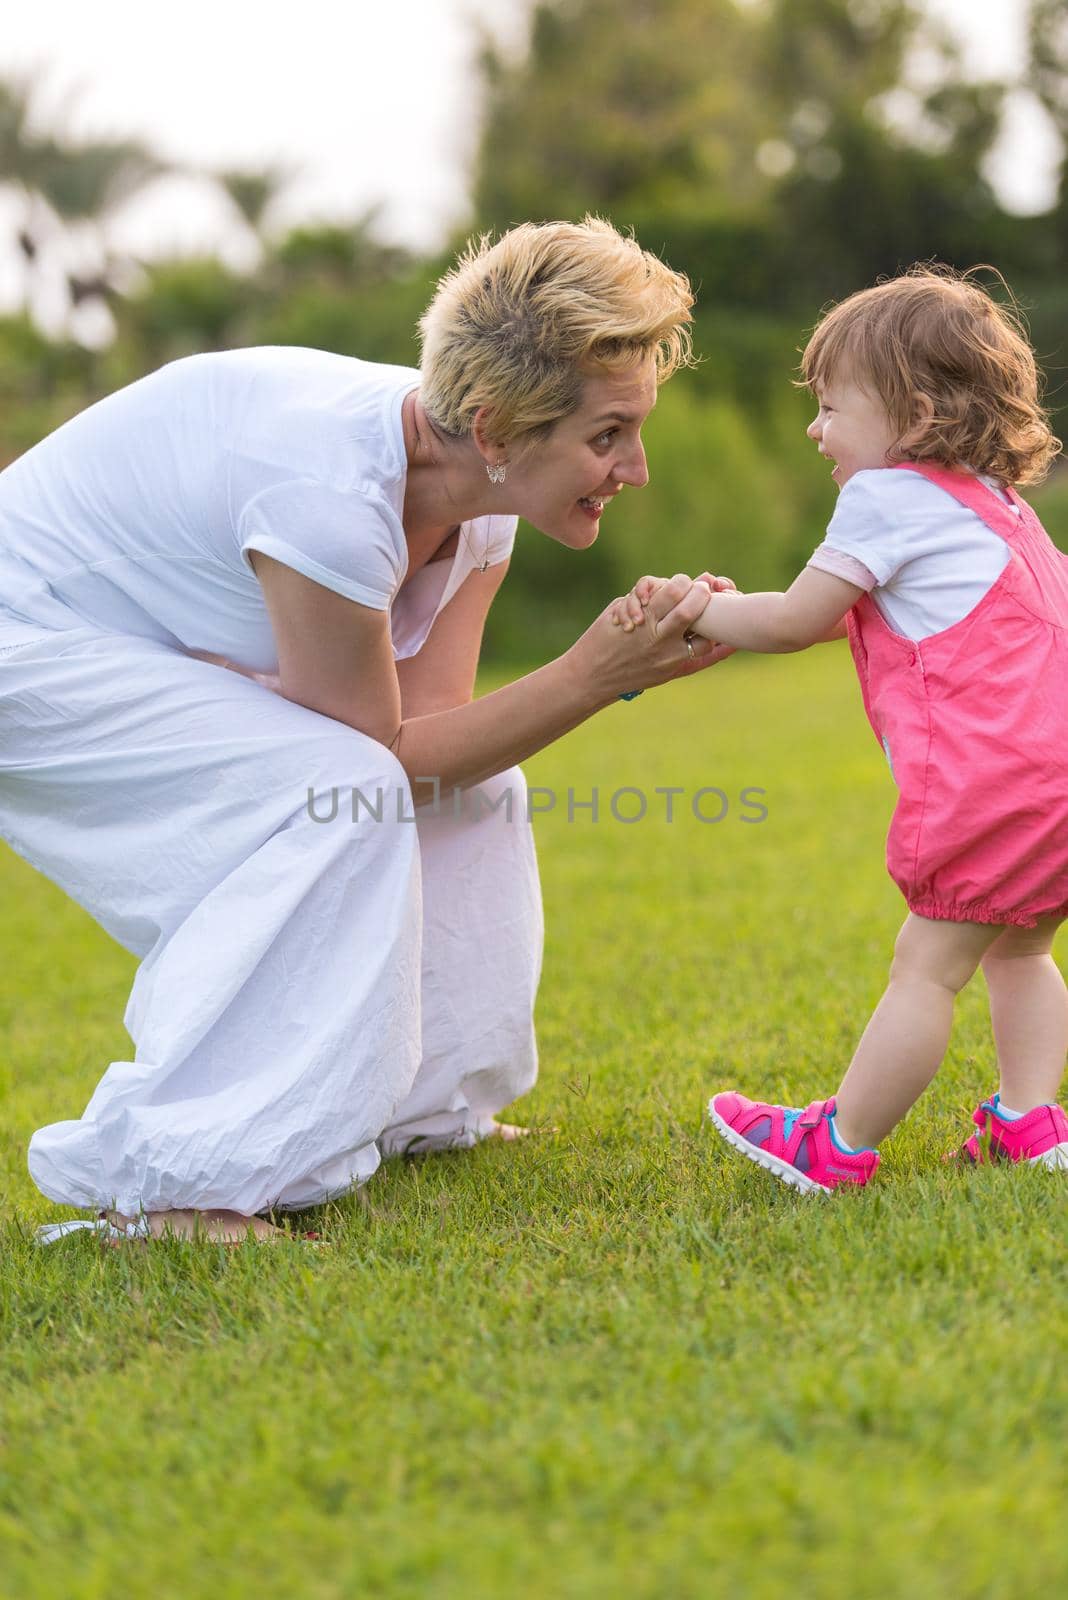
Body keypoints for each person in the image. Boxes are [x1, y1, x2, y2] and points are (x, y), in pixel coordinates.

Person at [1, 217, 726, 1244]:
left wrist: (589, 676)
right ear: (496, 430)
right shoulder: (330, 495)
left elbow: (438, 735)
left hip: (122, 628)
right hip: (25, 639)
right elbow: (371, 763)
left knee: (477, 785)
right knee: (333, 789)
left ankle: (426, 1108)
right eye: (608, 436)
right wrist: (594, 675)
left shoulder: (481, 496)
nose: (635, 467)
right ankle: (172, 1185)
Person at [615, 265, 1068, 1192]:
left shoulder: (891, 498)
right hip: (1057, 781)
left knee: (928, 965)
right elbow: (834, 613)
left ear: (915, 410)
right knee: (1021, 946)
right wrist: (732, 610)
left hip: (991, 784)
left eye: (831, 406)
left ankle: (840, 1145)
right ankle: (1030, 1122)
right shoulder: (998, 504)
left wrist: (695, 608)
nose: (815, 429)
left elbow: (791, 623)